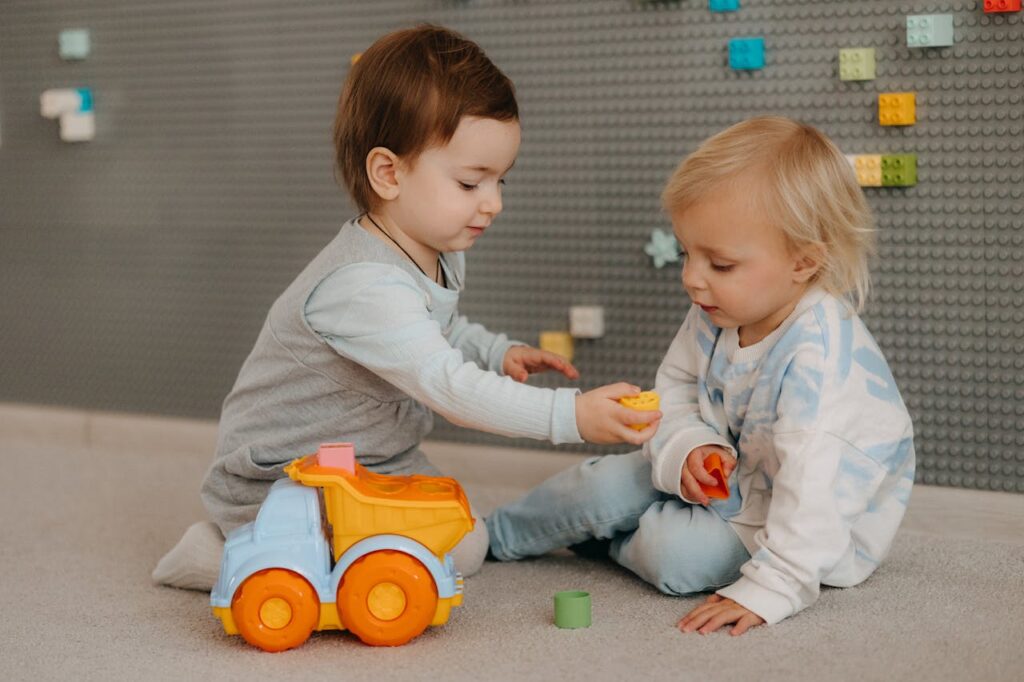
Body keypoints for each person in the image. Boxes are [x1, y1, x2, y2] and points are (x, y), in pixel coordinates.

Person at [152, 24, 660, 591]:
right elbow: (448, 386)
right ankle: (220, 554)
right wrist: (571, 416)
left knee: (462, 538)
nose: (493, 203)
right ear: (389, 173)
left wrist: (497, 351)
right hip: (284, 478)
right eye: (471, 182)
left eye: (500, 180)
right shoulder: (362, 289)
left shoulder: (436, 249)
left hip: (376, 457)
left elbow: (440, 328)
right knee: (446, 556)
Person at [486, 116, 916, 635]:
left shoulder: (821, 364)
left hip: (799, 516)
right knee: (598, 486)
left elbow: (814, 497)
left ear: (803, 262)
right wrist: (689, 447)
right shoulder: (722, 312)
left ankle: (602, 539)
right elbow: (677, 389)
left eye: (721, 264)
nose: (692, 278)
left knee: (673, 556)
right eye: (688, 253)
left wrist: (773, 587)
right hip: (726, 476)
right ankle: (491, 535)